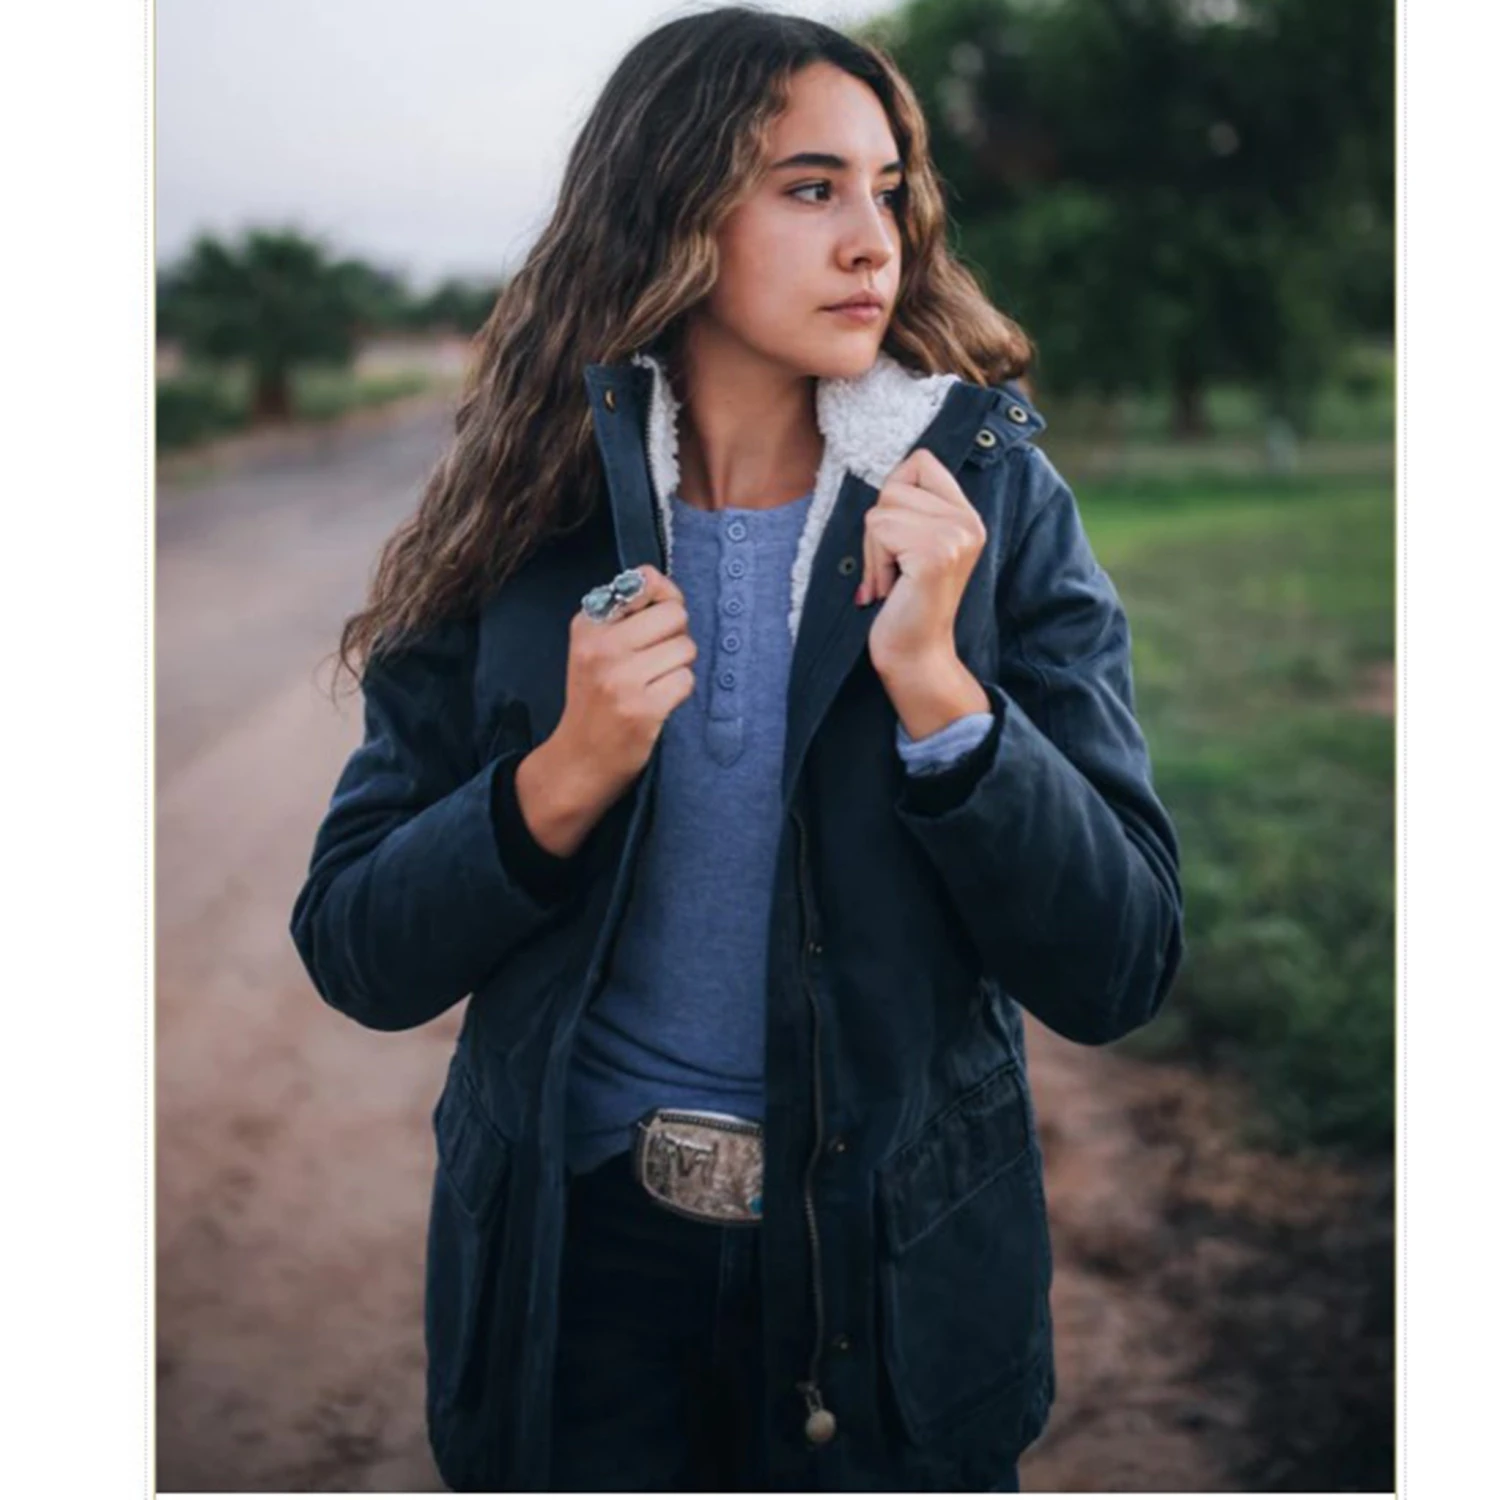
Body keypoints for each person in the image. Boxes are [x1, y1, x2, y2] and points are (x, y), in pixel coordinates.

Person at [289, 5, 1184, 1492]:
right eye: (809, 187)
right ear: (672, 210)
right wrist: (565, 773)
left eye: (886, 190)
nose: (871, 240)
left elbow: (1121, 964)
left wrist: (945, 703)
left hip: (881, 1300)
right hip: (578, 1292)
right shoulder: (524, 521)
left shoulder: (989, 508)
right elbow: (357, 948)